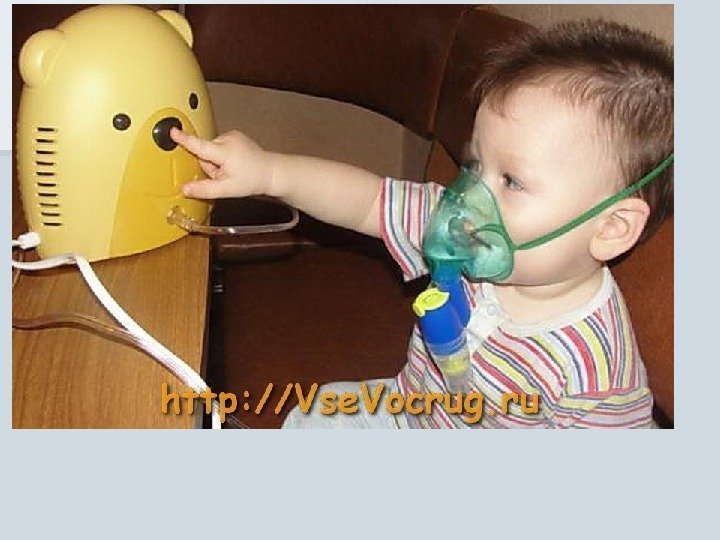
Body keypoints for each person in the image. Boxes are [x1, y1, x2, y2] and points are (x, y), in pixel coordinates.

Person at [170, 19, 673, 428]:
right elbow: (367, 201)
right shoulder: (466, 237)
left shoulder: (596, 374)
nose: (470, 200)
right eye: (476, 166)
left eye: (512, 182)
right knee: (317, 417)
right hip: (408, 411)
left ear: (610, 228)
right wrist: (269, 172)